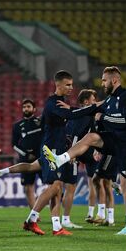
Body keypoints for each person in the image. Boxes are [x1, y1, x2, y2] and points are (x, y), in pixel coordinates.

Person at [44, 66, 126, 235]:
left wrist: (103, 117)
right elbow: (91, 109)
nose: (102, 83)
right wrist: (69, 110)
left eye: (104, 80)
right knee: (91, 137)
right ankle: (61, 158)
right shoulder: (110, 100)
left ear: (114, 80)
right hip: (116, 139)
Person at [22, 70, 100, 236]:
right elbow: (70, 115)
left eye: (72, 84)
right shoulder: (53, 102)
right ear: (58, 85)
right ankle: (31, 220)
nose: (71, 87)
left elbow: (50, 122)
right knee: (56, 186)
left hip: (57, 148)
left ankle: (57, 226)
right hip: (52, 150)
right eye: (68, 84)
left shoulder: (60, 102)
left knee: (56, 188)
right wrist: (93, 107)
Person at [62, 89, 99, 229]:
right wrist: (73, 153)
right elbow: (75, 135)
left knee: (94, 181)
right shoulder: (83, 115)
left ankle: (91, 214)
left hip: (85, 149)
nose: (95, 101)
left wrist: (96, 149)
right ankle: (65, 219)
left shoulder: (87, 114)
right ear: (86, 102)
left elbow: (94, 133)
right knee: (71, 186)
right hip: (75, 150)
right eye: (93, 99)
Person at [10, 99, 43, 210]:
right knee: (28, 187)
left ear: (34, 109)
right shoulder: (17, 126)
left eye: (28, 106)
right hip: (26, 160)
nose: (26, 109)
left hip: (41, 159)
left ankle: (46, 209)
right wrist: (26, 154)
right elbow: (14, 145)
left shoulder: (40, 122)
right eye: (24, 107)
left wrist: (40, 153)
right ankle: (33, 214)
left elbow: (45, 139)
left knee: (50, 185)